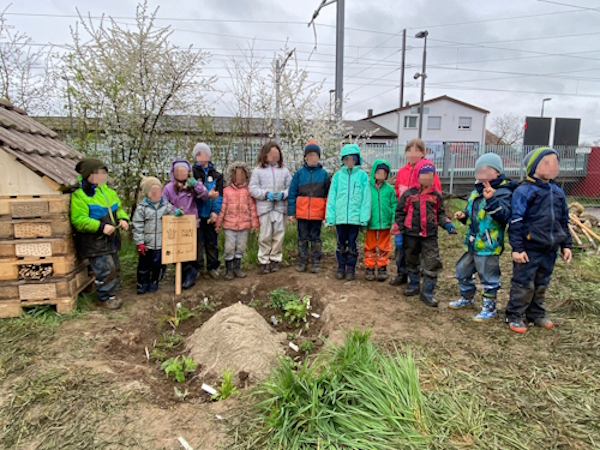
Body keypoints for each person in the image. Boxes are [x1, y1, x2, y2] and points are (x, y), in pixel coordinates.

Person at [505, 148, 572, 333]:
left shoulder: (557, 192)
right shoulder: (524, 191)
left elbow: (563, 221)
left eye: (555, 163)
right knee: (524, 282)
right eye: (547, 162)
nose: (553, 167)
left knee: (542, 282)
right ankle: (514, 314)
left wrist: (566, 245)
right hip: (530, 247)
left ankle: (536, 312)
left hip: (549, 248)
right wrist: (517, 248)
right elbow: (516, 221)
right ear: (534, 167)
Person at [449, 153, 517, 321]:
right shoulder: (475, 193)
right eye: (480, 169)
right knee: (462, 269)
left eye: (487, 169)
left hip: (489, 245)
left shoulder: (503, 192)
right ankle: (467, 298)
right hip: (472, 242)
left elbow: (504, 216)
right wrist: (463, 215)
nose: (482, 172)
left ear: (497, 171)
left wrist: (492, 199)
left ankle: (489, 307)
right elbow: (475, 215)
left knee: (488, 276)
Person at [395, 159, 457, 307]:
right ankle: (414, 285)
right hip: (411, 234)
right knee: (411, 260)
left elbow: (440, 214)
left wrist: (447, 224)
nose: (427, 179)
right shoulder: (409, 195)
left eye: (430, 176)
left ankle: (427, 292)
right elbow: (400, 213)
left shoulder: (436, 196)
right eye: (424, 176)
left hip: (429, 235)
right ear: (417, 176)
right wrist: (399, 232)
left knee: (432, 261)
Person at [71, 158, 130, 309]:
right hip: (95, 241)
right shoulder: (80, 196)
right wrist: (100, 226)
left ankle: (112, 293)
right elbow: (79, 220)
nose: (102, 176)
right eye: (98, 173)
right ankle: (105, 297)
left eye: (104, 172)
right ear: (88, 175)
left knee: (115, 267)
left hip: (111, 240)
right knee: (105, 269)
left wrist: (123, 219)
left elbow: (119, 209)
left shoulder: (109, 192)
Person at [390, 138, 443, 286]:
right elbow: (397, 196)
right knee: (401, 249)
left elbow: (436, 198)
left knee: (417, 251)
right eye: (409, 151)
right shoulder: (401, 172)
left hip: (421, 221)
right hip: (404, 219)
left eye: (416, 151)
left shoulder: (428, 172)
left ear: (423, 153)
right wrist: (397, 222)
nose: (412, 154)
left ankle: (418, 278)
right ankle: (402, 274)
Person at [163, 158, 217, 289]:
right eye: (178, 171)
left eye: (184, 171)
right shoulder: (169, 188)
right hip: (175, 224)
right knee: (177, 249)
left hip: (192, 223)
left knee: (191, 249)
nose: (181, 173)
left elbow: (205, 196)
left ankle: (191, 273)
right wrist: (173, 211)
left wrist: (196, 185)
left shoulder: (192, 186)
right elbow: (163, 204)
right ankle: (181, 274)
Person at [325, 143, 371, 281]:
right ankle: (341, 267)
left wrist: (364, 217)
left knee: (352, 244)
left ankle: (351, 268)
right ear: (342, 160)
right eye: (346, 159)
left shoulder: (362, 176)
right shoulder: (338, 176)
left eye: (352, 159)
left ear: (357, 160)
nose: (349, 162)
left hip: (354, 218)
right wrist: (330, 216)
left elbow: (366, 198)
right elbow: (332, 196)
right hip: (340, 218)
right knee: (340, 244)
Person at [132, 177, 182, 295]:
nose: (155, 193)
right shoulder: (142, 208)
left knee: (158, 265)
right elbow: (137, 226)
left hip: (161, 244)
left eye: (157, 190)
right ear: (146, 193)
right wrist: (139, 243)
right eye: (152, 191)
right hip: (146, 244)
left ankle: (155, 281)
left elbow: (171, 216)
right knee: (143, 266)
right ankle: (142, 284)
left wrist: (177, 214)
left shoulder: (166, 205)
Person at [249, 141, 292, 274]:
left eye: (276, 154)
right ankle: (264, 260)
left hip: (280, 208)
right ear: (265, 154)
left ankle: (275, 259)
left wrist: (283, 194)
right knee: (265, 235)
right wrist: (266, 194)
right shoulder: (257, 171)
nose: (274, 156)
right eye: (272, 154)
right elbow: (252, 189)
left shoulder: (284, 171)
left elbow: (291, 188)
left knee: (279, 235)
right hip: (265, 208)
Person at [287, 141, 331, 273]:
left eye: (315, 155)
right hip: (302, 213)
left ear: (318, 157)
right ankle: (302, 260)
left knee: (316, 238)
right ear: (305, 157)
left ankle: (316, 261)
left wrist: (326, 214)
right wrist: (291, 211)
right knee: (302, 237)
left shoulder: (324, 174)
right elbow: (292, 193)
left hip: (317, 213)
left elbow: (328, 195)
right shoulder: (299, 174)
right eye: (310, 155)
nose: (312, 158)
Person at [215, 162, 259, 280]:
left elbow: (252, 209)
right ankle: (229, 269)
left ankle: (237, 268)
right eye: (237, 175)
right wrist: (218, 224)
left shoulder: (248, 192)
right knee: (229, 247)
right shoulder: (226, 191)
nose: (239, 178)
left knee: (240, 247)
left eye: (242, 176)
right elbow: (222, 209)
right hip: (230, 225)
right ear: (232, 176)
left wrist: (255, 224)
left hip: (244, 225)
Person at [192, 142, 223, 279]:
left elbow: (219, 195)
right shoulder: (191, 174)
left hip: (210, 214)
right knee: (197, 242)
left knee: (211, 242)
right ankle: (198, 267)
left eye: (204, 153)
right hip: (196, 214)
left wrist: (215, 212)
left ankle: (212, 267)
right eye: (198, 154)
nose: (201, 156)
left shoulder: (217, 175)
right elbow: (191, 194)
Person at [364, 159, 396, 282]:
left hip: (385, 223)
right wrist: (363, 222)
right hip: (371, 222)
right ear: (373, 173)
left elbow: (394, 205)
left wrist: (394, 222)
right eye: (379, 172)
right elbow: (363, 204)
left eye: (384, 173)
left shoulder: (389, 190)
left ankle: (382, 266)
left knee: (384, 246)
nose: (381, 175)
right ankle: (370, 266)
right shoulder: (367, 188)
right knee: (370, 245)